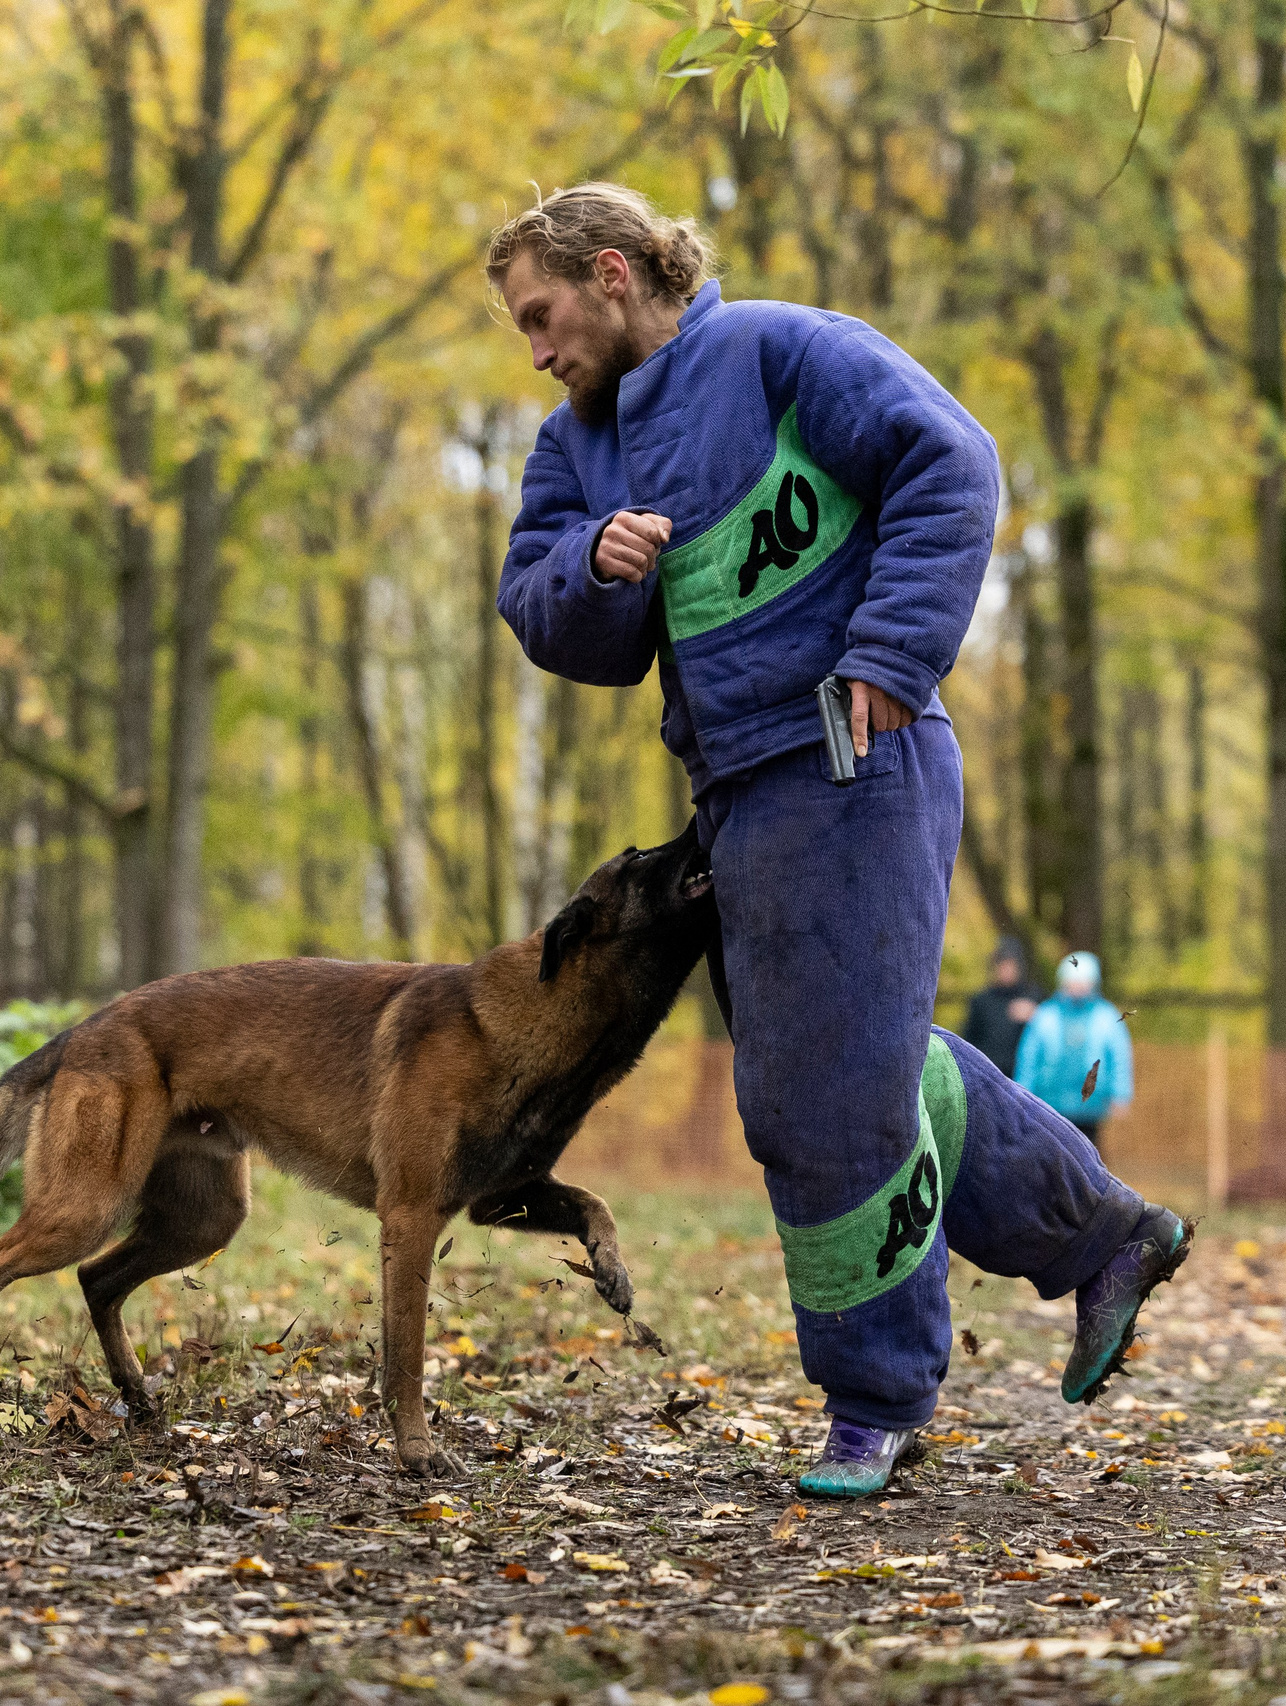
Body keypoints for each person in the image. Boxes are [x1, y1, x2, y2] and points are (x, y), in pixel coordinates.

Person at [490, 184, 1190, 1498]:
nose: (534, 347)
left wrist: (890, 654)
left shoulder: (782, 349)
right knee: (860, 1061)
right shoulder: (571, 449)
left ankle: (876, 1394)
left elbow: (952, 461)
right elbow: (540, 610)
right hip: (739, 796)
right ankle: (1105, 1236)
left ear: (611, 271)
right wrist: (593, 562)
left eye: (541, 315)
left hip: (858, 755)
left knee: (813, 1097)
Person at [1017, 951, 1135, 1149]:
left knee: (1088, 1153)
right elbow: (1029, 1057)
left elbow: (1119, 1056)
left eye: (1084, 980)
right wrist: (1022, 1092)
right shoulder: (1046, 1015)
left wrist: (1121, 1094)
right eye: (1073, 980)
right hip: (1051, 1102)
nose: (1078, 986)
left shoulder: (1106, 1016)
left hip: (1091, 1106)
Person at [961, 936, 1040, 1079]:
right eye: (1002, 965)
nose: (1006, 970)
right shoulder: (981, 1001)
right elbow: (969, 1041)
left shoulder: (1034, 997)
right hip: (988, 1076)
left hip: (1023, 1078)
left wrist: (1036, 1015)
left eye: (1011, 965)